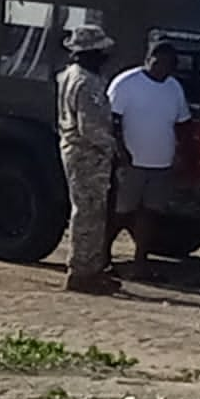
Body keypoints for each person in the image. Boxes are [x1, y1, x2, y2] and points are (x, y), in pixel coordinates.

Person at [107, 43, 191, 278]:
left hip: (161, 162)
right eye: (159, 62)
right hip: (131, 161)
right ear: (148, 59)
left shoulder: (174, 88)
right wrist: (120, 151)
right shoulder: (126, 83)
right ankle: (102, 254)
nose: (163, 68)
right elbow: (112, 120)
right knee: (121, 212)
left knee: (150, 213)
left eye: (169, 65)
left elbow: (182, 124)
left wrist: (181, 155)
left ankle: (140, 261)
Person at [56, 25, 121, 295]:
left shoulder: (68, 76)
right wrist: (114, 147)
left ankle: (89, 268)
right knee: (89, 213)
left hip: (75, 148)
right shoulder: (87, 82)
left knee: (87, 210)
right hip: (88, 153)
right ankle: (83, 271)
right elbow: (90, 126)